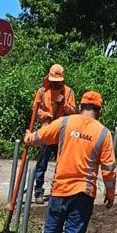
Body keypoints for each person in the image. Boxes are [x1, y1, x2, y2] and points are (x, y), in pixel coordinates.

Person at [24, 90, 116, 233]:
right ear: (100, 111)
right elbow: (109, 169)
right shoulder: (104, 134)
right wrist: (110, 193)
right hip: (84, 192)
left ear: (81, 107)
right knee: (74, 231)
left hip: (60, 188)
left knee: (52, 226)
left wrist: (28, 138)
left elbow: (41, 136)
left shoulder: (66, 122)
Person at [32, 64, 78, 204]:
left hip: (62, 134)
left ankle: (58, 191)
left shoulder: (68, 92)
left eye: (58, 81)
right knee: (42, 164)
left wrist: (63, 103)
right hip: (47, 132)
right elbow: (36, 110)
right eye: (54, 80)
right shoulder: (42, 91)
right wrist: (47, 114)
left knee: (62, 165)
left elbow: (73, 112)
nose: (56, 83)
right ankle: (38, 190)